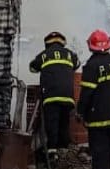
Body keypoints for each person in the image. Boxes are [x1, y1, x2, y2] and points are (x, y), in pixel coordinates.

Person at [76, 29, 110, 169]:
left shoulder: (91, 66)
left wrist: (80, 111)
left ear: (91, 46)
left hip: (96, 113)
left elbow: (86, 93)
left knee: (98, 143)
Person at [29, 32, 81, 160]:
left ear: (47, 43)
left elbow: (32, 68)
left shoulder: (44, 55)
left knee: (51, 124)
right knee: (64, 122)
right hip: (68, 97)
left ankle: (52, 153)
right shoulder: (70, 54)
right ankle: (64, 150)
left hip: (51, 96)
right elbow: (77, 64)